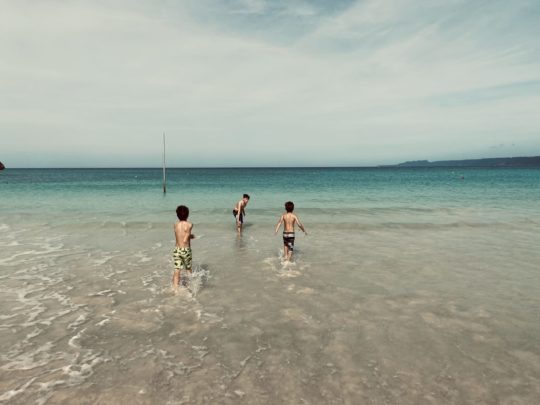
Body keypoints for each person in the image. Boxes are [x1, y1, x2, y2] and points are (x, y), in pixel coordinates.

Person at [172, 205, 195, 292]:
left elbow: (180, 236)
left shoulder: (175, 225)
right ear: (187, 215)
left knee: (177, 270)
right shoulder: (189, 225)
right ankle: (190, 287)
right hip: (186, 250)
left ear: (177, 215)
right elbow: (185, 239)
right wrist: (190, 236)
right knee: (188, 269)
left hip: (177, 250)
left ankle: (175, 289)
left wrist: (189, 236)